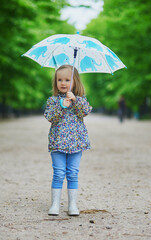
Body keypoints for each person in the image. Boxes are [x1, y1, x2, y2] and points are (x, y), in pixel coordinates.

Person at [44, 65, 92, 216]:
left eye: (67, 79)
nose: (63, 83)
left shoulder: (80, 99)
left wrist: (75, 100)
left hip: (75, 143)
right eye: (59, 80)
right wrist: (61, 106)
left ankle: (72, 205)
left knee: (72, 173)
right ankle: (55, 204)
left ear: (75, 82)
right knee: (58, 173)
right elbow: (50, 117)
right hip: (58, 143)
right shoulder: (53, 100)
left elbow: (84, 112)